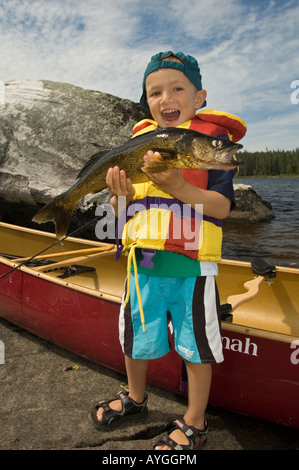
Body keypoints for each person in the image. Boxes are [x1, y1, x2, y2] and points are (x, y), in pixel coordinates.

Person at [89, 51, 246, 450]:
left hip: (192, 267)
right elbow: (119, 215)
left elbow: (222, 207)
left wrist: (180, 188)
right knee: (135, 336)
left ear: (200, 97)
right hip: (142, 265)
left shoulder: (208, 145)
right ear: (147, 102)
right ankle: (136, 398)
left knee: (196, 344)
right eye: (155, 91)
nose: (166, 97)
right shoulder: (138, 145)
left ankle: (195, 421)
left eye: (177, 88)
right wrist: (119, 198)